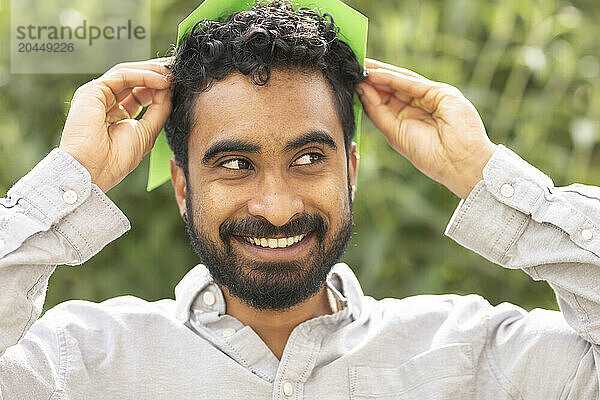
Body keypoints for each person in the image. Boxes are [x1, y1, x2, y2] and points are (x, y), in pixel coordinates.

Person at [1, 1, 599, 399]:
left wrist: (484, 173)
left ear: (352, 171)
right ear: (183, 188)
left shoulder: (478, 355)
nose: (278, 205)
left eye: (309, 158)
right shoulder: (78, 363)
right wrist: (67, 182)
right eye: (234, 164)